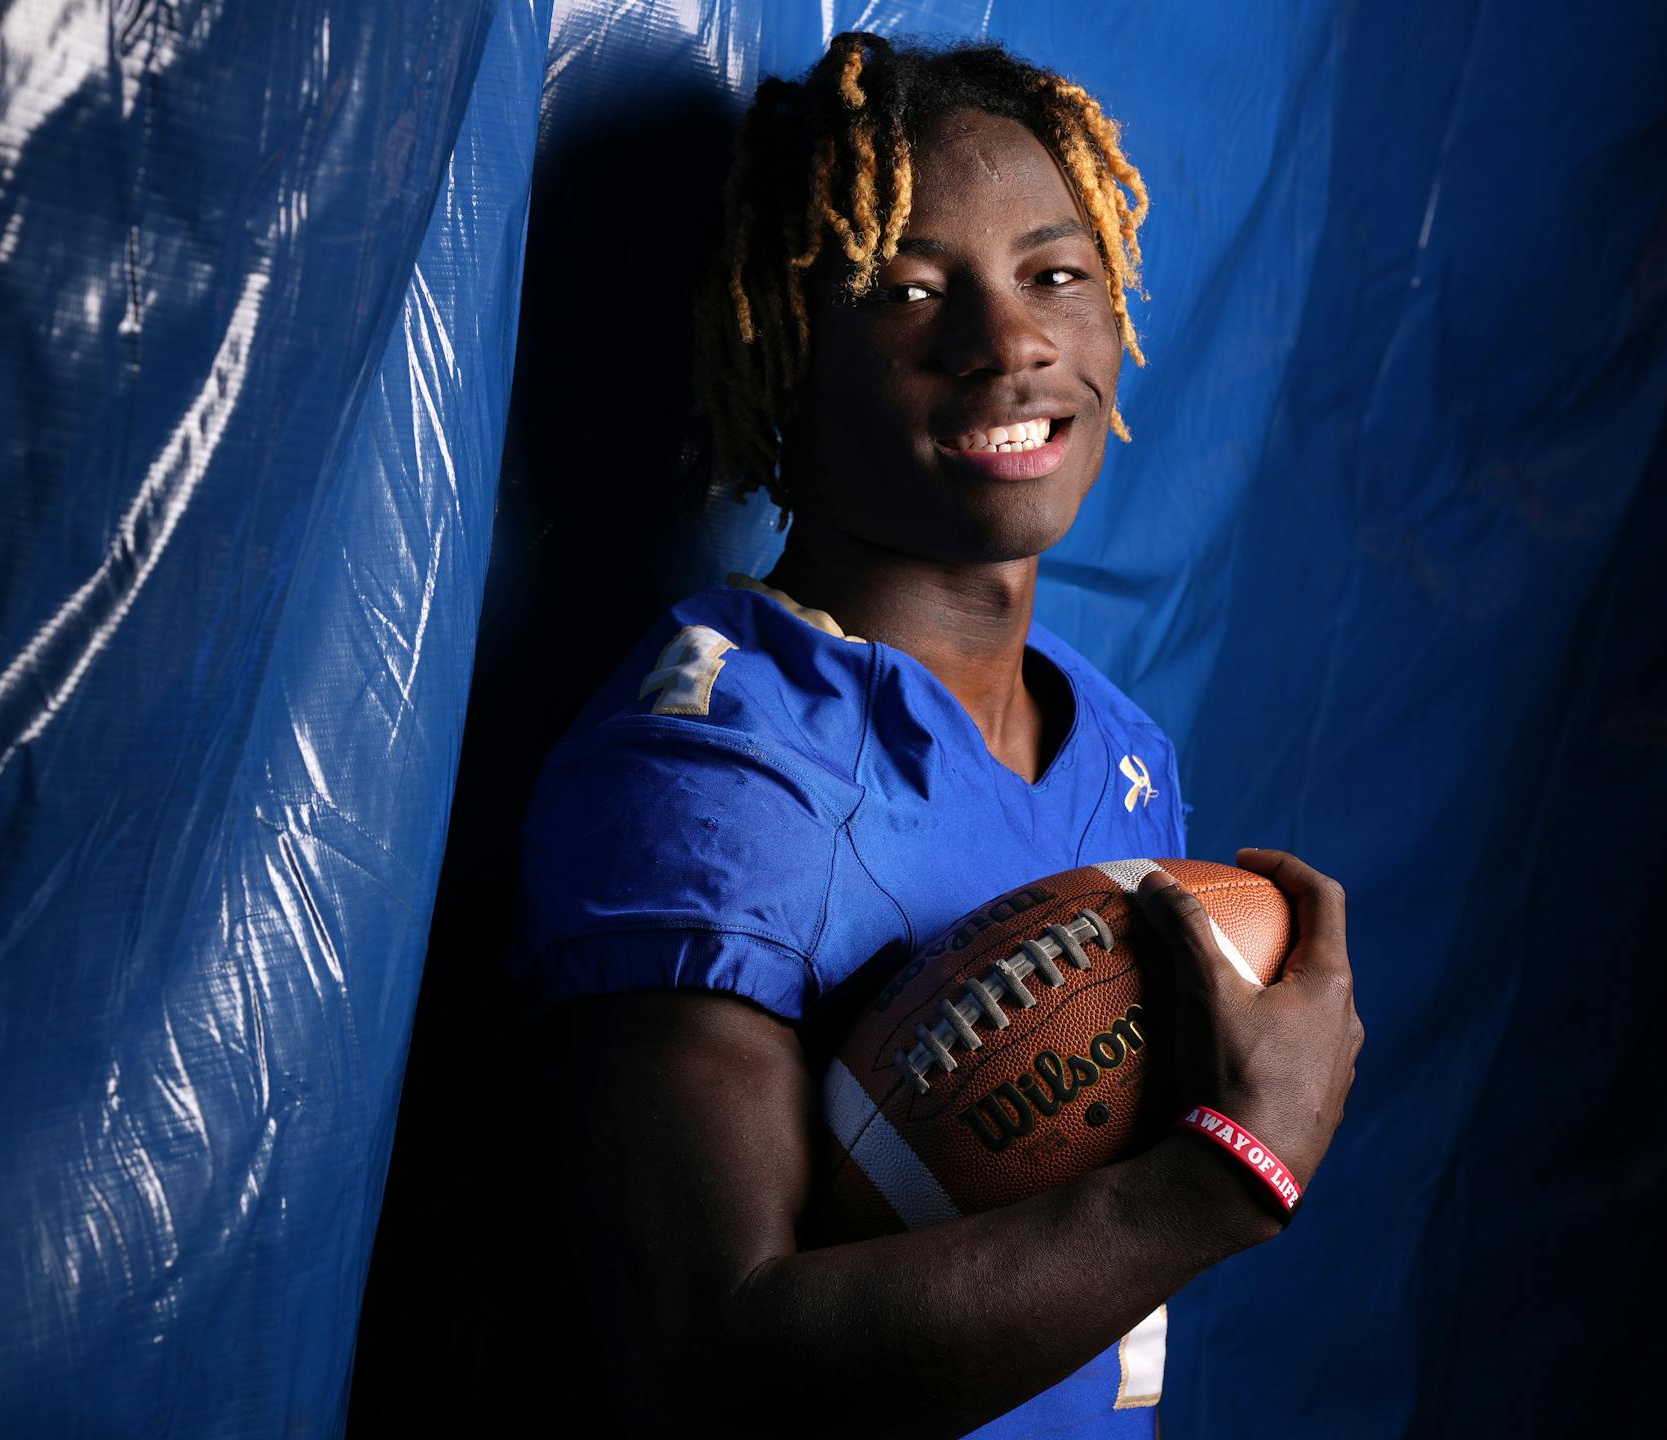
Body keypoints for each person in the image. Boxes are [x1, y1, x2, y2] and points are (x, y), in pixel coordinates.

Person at [511, 33, 1364, 1438]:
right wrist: (1225, 1176)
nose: (1009, 344)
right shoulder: (720, 766)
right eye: (908, 293)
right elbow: (705, 1363)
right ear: (789, 349)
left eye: (1055, 277)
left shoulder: (1120, 748)